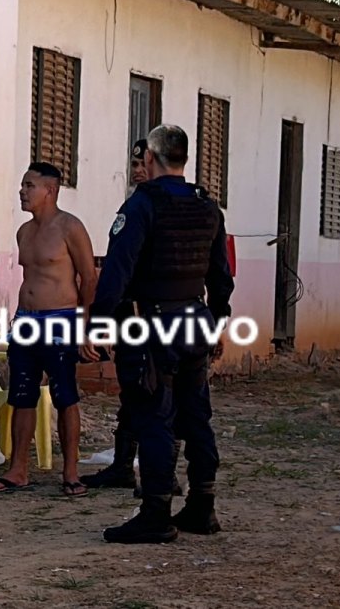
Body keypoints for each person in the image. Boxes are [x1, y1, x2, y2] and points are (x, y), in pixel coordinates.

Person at [90, 124, 234, 545]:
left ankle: (155, 513)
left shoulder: (142, 204)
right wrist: (217, 321)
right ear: (184, 158)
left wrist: (99, 323)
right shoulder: (207, 206)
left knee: (153, 416)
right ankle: (202, 505)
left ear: (150, 158)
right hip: (195, 322)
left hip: (151, 326)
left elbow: (117, 271)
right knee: (196, 415)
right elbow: (220, 276)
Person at [0, 162, 99, 497]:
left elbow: (89, 278)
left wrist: (84, 326)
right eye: (22, 185)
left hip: (60, 320)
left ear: (50, 190)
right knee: (21, 395)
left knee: (65, 396)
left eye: (29, 185)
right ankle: (18, 469)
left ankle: (71, 472)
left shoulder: (70, 227)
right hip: (26, 322)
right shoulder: (24, 231)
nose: (22, 191)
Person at [81, 139, 183, 498]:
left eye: (144, 163)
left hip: (153, 315)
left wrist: (98, 323)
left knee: (159, 396)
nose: (138, 170)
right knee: (134, 392)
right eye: (134, 164)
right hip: (142, 314)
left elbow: (118, 270)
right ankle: (124, 465)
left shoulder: (160, 208)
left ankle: (161, 477)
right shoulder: (141, 205)